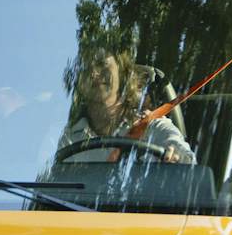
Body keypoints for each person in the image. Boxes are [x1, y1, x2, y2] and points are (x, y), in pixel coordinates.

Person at [57, 50, 195, 164]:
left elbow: (188, 164)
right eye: (86, 69)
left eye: (102, 64)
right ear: (80, 85)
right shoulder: (69, 137)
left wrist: (176, 158)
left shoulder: (152, 126)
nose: (94, 74)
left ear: (123, 75)